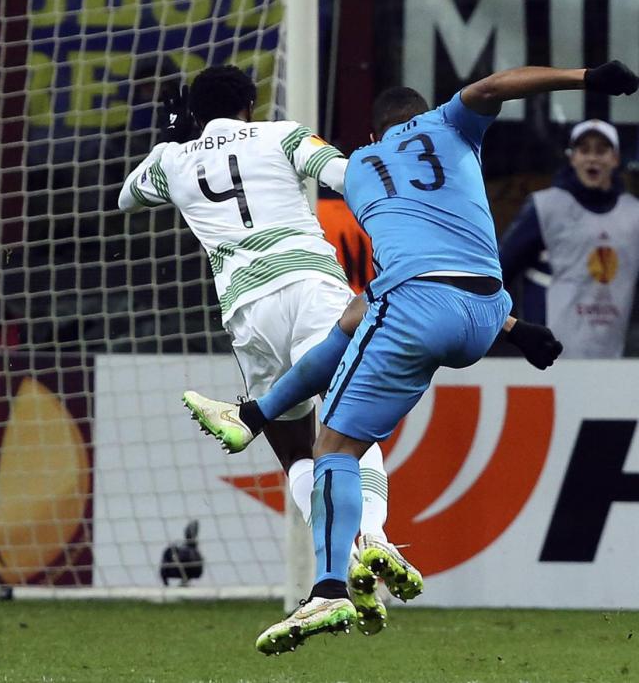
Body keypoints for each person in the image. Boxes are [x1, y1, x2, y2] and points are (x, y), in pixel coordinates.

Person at [183, 61, 638, 654]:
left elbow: (397, 278)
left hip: (419, 309)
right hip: (485, 311)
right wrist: (586, 77)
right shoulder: (452, 127)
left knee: (332, 448)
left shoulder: (362, 169)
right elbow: (493, 87)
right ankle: (254, 416)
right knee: (350, 325)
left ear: (374, 135)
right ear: (424, 115)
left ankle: (329, 589)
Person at [117, 65, 402, 633]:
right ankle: (372, 536)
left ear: (194, 113)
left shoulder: (172, 161)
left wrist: (173, 138)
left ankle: (343, 558)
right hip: (313, 293)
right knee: (349, 428)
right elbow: (345, 175)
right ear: (251, 103)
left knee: (297, 453)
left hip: (248, 314)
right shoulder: (282, 134)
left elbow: (128, 197)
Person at [500, 119, 639, 358]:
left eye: (601, 150)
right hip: (551, 354)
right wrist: (512, 331)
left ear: (615, 159)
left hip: (616, 358)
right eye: (584, 150)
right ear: (572, 158)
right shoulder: (546, 207)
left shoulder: (634, 214)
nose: (592, 158)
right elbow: (500, 271)